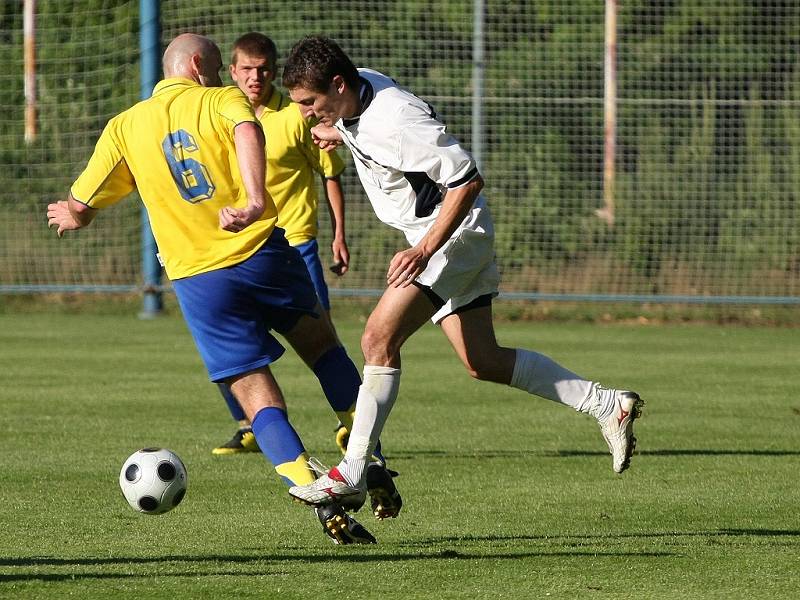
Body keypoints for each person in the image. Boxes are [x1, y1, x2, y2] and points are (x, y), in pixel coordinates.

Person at [280, 36, 645, 511]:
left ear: (337, 83)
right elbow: (365, 130)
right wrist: (339, 132)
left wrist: (424, 249)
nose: (307, 113)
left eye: (311, 103)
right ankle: (606, 404)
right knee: (483, 361)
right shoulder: (358, 92)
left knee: (377, 339)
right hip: (442, 235)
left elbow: (467, 179)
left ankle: (351, 472)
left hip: (451, 236)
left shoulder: (397, 118)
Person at [45, 33, 377, 545]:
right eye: (220, 68)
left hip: (198, 281)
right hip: (261, 254)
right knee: (324, 349)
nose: (225, 78)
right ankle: (367, 456)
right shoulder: (220, 99)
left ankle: (311, 488)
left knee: (253, 392)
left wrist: (73, 213)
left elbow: (83, 203)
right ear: (199, 66)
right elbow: (248, 129)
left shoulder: (125, 126)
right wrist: (253, 198)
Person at [211, 31, 352, 458]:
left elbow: (330, 172)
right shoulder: (217, 115)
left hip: (296, 243)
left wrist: (339, 234)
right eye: (247, 69)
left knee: (322, 337)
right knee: (227, 342)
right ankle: (248, 425)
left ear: (274, 70)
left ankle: (349, 422)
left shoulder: (296, 115)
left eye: (264, 69)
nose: (256, 77)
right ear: (232, 72)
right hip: (238, 249)